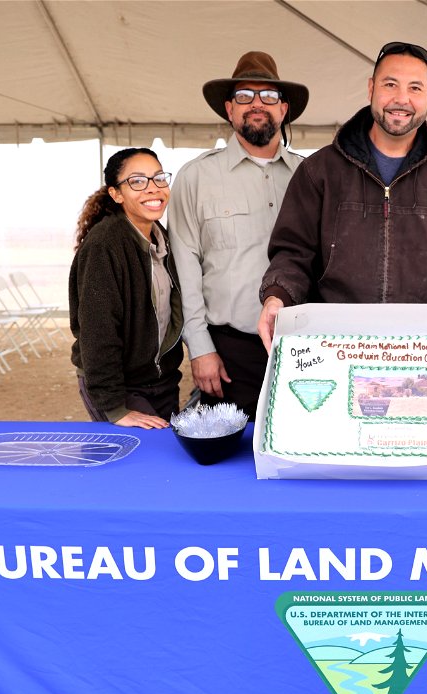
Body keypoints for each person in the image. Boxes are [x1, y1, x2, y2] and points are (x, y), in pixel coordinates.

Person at [258, 41, 427, 355]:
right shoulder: (318, 171)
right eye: (390, 84)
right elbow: (293, 255)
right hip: (336, 350)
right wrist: (276, 296)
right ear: (371, 88)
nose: (402, 99)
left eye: (415, 88)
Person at [169, 51, 308, 420]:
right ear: (229, 109)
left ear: (284, 110)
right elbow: (185, 268)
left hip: (304, 347)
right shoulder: (195, 177)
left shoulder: (311, 176)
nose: (256, 104)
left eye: (269, 96)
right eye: (245, 96)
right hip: (230, 351)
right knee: (228, 463)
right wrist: (200, 348)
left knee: (302, 454)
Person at [69, 148, 183, 429]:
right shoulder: (104, 245)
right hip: (120, 386)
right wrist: (114, 408)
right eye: (137, 181)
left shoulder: (162, 238)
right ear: (116, 194)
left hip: (161, 381)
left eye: (158, 178)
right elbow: (97, 330)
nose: (152, 188)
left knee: (164, 465)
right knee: (141, 463)